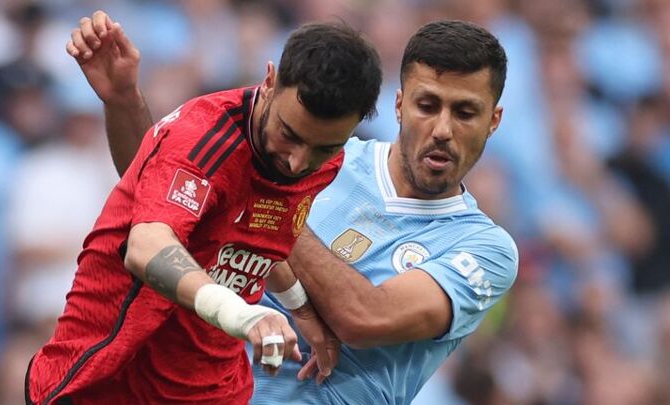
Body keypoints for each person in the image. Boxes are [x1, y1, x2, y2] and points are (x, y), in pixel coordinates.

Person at [70, 12, 518, 405]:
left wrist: (264, 204)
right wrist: (124, 102)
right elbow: (166, 201)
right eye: (427, 105)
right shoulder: (317, 152)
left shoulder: (485, 248)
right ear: (399, 105)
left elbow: (366, 318)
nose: (442, 129)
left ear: (493, 120)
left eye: (465, 112)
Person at [25, 11, 382, 405]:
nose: (298, 162)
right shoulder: (202, 139)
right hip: (107, 381)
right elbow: (147, 247)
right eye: (289, 134)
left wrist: (302, 309)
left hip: (213, 388)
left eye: (324, 147)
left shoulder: (324, 161)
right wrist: (244, 315)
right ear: (269, 82)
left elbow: (258, 235)